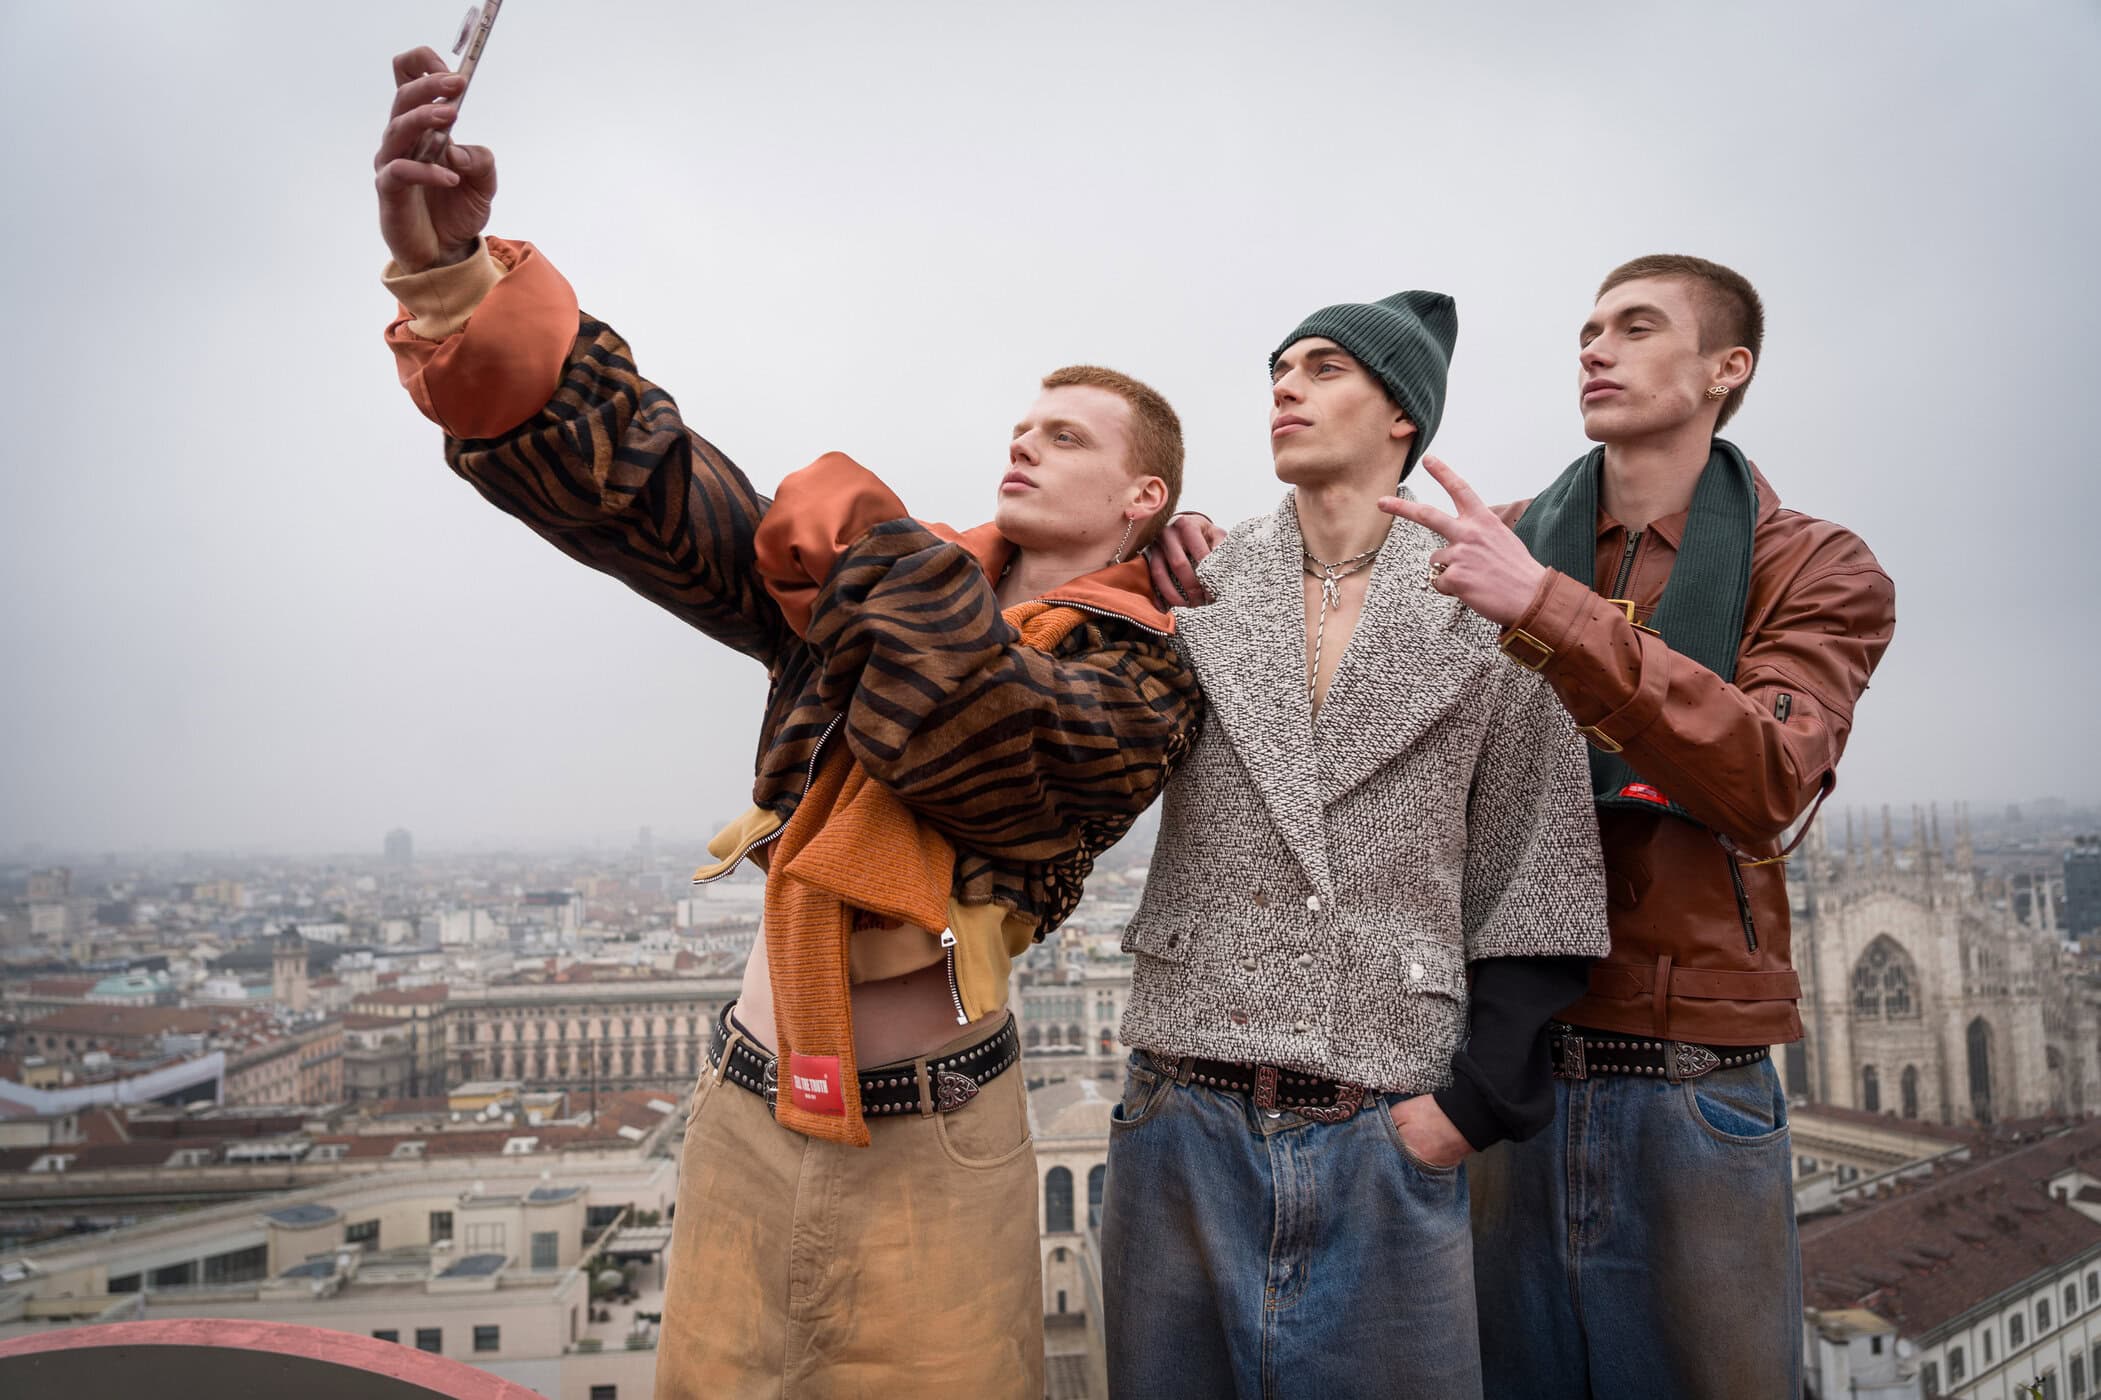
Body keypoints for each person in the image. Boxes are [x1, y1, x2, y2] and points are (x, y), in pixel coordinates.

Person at [371, 47, 1203, 1400]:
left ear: (1144, 498)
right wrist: (456, 279)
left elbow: (1000, 748)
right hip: (743, 1115)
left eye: (1064, 433)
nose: (1023, 441)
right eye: (1019, 420)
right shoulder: (882, 584)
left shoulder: (1143, 677)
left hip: (935, 1151)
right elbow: (649, 495)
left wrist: (870, 547)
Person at [1380, 254, 1897, 1398]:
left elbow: (1767, 776)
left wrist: (1546, 610)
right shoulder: (1500, 543)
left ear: (1727, 368)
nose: (1593, 348)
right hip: (1502, 1070)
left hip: (1689, 1084)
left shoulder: (1812, 564)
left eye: (1634, 325)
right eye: (1586, 328)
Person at [1106, 291, 1610, 1399]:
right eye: (1278, 370)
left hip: (1384, 1133)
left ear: (1401, 418)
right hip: (1176, 1123)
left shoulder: (1493, 609)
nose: (1285, 387)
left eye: (1323, 367)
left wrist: (1462, 1114)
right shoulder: (1196, 588)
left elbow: (1544, 877)